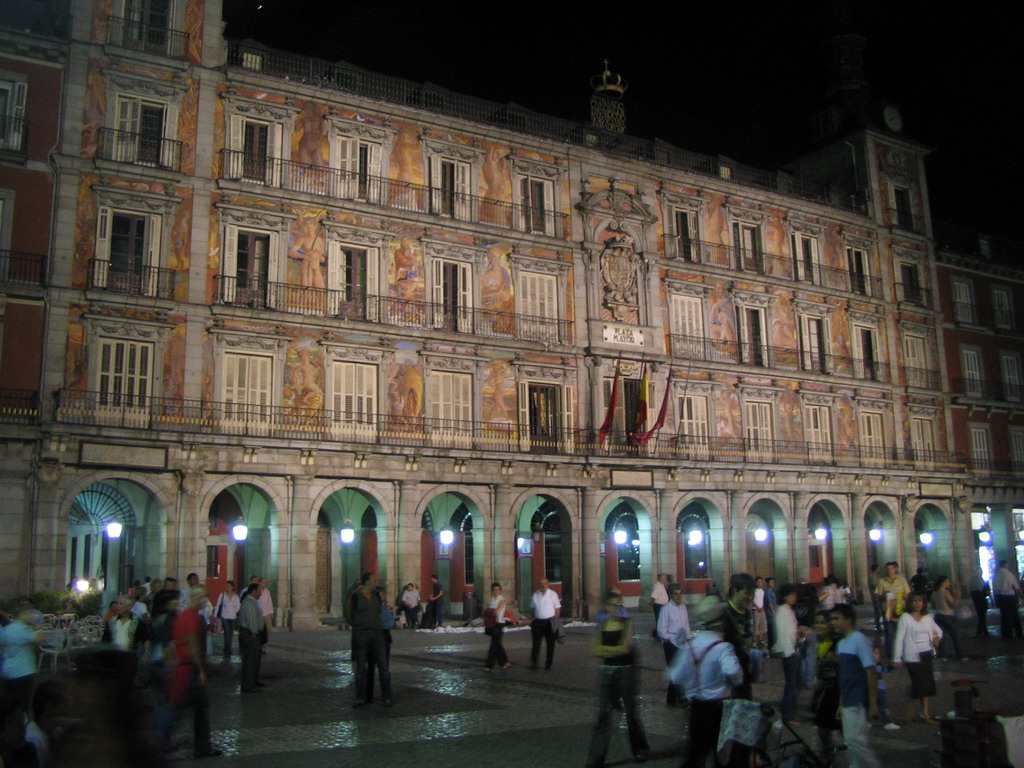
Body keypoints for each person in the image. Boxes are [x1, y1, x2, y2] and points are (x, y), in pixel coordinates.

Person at [668, 595, 744, 768]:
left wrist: (690, 686)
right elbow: (734, 672)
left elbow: (675, 675)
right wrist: (735, 681)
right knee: (720, 754)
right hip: (717, 708)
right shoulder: (722, 647)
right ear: (721, 623)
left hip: (696, 708)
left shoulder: (690, 645)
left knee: (696, 752)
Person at [585, 591, 650, 768]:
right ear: (606, 607)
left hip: (625, 672)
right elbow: (595, 650)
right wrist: (613, 650)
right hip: (607, 672)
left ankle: (640, 749)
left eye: (619, 605)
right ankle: (596, 757)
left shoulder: (627, 623)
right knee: (603, 715)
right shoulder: (602, 624)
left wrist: (606, 649)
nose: (617, 608)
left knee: (631, 713)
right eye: (614, 605)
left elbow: (624, 648)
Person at [168, 585, 221, 758]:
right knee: (189, 710)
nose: (205, 600)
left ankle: (202, 747)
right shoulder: (191, 617)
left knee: (194, 709)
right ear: (195, 597)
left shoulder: (185, 615)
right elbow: (193, 643)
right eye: (203, 596)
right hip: (190, 669)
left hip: (186, 667)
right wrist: (200, 670)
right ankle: (200, 747)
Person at [829, 604, 882, 768]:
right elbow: (844, 676)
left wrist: (873, 703)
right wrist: (840, 701)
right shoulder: (842, 644)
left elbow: (870, 671)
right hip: (847, 699)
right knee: (850, 742)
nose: (833, 623)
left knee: (856, 741)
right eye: (831, 619)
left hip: (859, 698)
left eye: (836, 619)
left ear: (849, 620)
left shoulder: (859, 640)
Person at [893, 591, 942, 724]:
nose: (917, 603)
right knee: (918, 683)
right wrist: (897, 657)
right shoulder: (905, 618)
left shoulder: (927, 618)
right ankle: (908, 712)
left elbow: (938, 631)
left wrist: (936, 637)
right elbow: (899, 638)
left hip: (926, 654)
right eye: (915, 601)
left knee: (926, 683)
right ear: (910, 603)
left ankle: (924, 712)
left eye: (920, 601)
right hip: (912, 656)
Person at [346, 572, 393, 707]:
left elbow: (380, 612)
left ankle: (387, 697)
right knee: (361, 668)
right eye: (373, 580)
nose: (375, 583)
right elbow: (349, 615)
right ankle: (360, 697)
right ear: (366, 582)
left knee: (383, 668)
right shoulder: (355, 596)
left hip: (377, 634)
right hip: (361, 634)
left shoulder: (377, 596)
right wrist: (359, 625)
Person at [0, 602, 44, 715]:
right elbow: (39, 639)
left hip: (8, 670)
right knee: (24, 706)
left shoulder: (8, 628)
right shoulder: (23, 629)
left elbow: (2, 644)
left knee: (10, 704)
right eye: (29, 613)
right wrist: (36, 626)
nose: (32, 615)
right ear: (22, 614)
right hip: (23, 671)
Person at [810, 611, 843, 759]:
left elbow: (846, 671)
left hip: (840, 692)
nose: (818, 625)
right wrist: (816, 696)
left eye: (822, 622)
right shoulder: (821, 644)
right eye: (816, 622)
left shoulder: (837, 644)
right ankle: (830, 758)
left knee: (845, 733)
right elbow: (822, 676)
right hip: (829, 692)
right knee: (823, 729)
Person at [774, 583, 806, 726]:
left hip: (793, 650)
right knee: (791, 685)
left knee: (794, 684)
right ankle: (788, 715)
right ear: (785, 596)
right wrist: (790, 652)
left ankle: (790, 712)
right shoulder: (782, 612)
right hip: (789, 652)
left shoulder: (788, 610)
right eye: (792, 595)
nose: (795, 597)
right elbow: (784, 634)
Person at [656, 582, 692, 706]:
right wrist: (666, 640)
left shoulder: (683, 607)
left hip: (682, 644)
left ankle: (671, 699)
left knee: (676, 671)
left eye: (680, 594)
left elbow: (686, 624)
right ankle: (682, 698)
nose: (678, 596)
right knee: (677, 671)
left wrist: (689, 638)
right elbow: (661, 627)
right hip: (671, 643)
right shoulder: (666, 609)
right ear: (671, 595)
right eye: (675, 594)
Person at [723, 573, 754, 699]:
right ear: (735, 590)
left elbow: (747, 636)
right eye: (746, 593)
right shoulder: (724, 611)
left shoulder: (746, 613)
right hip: (726, 667)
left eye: (752, 594)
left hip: (742, 665)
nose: (750, 597)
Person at [875, 562, 912, 657]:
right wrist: (885, 596)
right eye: (887, 569)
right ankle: (891, 655)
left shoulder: (902, 580)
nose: (889, 571)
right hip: (887, 610)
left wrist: (899, 594)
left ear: (895, 569)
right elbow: (878, 596)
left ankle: (902, 653)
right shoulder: (882, 581)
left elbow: (908, 594)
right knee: (889, 634)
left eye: (891, 568)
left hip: (900, 609)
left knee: (901, 633)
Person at [930, 576, 968, 661]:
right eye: (948, 582)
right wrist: (957, 596)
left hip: (938, 616)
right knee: (955, 637)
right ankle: (961, 655)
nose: (949, 583)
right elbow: (953, 604)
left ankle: (943, 656)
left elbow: (933, 606)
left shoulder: (934, 592)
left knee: (942, 637)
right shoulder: (945, 592)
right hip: (948, 615)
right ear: (943, 583)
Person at [237, 582, 264, 693]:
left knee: (254, 660)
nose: (260, 593)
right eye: (259, 590)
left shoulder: (252, 602)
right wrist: (254, 633)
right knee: (250, 661)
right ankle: (249, 685)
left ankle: (253, 682)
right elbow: (251, 619)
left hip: (252, 634)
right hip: (250, 635)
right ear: (253, 591)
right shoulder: (249, 602)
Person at [529, 578, 561, 670]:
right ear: (539, 585)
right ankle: (534, 663)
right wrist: (533, 619)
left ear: (548, 584)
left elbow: (557, 608)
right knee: (536, 644)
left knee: (550, 644)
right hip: (538, 622)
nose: (543, 585)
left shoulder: (552, 594)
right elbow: (532, 608)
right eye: (541, 584)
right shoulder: (535, 594)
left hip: (549, 622)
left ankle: (548, 663)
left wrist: (555, 620)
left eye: (545, 584)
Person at [484, 582, 511, 671]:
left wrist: (489, 611)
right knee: (497, 644)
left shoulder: (502, 599)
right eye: (494, 590)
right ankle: (505, 661)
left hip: (499, 623)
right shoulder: (491, 600)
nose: (496, 591)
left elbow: (496, 611)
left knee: (494, 645)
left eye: (498, 589)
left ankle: (489, 665)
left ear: (500, 590)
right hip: (492, 623)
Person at [993, 560, 1023, 639]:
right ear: (1006, 565)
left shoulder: (996, 575)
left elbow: (994, 588)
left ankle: (1006, 633)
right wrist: (1022, 596)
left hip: (1000, 597)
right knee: (1013, 615)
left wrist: (995, 599)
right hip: (1009, 597)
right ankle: (1017, 632)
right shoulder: (1010, 575)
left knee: (1004, 615)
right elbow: (1017, 588)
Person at [872, 646, 900, 730]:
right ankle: (868, 720)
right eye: (876, 654)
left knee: (883, 706)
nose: (878, 656)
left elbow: (886, 670)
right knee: (869, 705)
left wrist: (892, 667)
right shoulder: (870, 666)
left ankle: (887, 721)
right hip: (874, 688)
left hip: (880, 688)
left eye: (879, 654)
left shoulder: (879, 665)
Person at [214, 581, 240, 659]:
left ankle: (227, 647)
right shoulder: (222, 595)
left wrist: (235, 611)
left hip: (233, 616)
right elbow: (218, 605)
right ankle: (227, 649)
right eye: (227, 586)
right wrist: (215, 615)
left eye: (229, 586)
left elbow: (238, 606)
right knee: (227, 632)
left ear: (232, 587)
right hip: (224, 616)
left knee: (230, 633)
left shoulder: (236, 596)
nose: (227, 587)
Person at [969, 566, 991, 638]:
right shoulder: (981, 580)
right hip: (981, 599)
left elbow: (970, 591)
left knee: (981, 615)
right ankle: (982, 631)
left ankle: (982, 630)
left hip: (976, 599)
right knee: (982, 615)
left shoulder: (972, 580)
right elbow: (986, 591)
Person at [650, 573, 669, 640]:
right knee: (660, 620)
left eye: (665, 578)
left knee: (662, 620)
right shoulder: (658, 586)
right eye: (662, 578)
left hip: (662, 606)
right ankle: (658, 635)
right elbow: (653, 596)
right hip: (659, 606)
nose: (664, 579)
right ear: (658, 578)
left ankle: (659, 633)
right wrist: (652, 603)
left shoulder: (661, 585)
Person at [257, 577, 274, 647]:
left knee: (267, 630)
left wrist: (271, 612)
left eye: (265, 582)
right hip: (258, 614)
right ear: (260, 583)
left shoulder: (267, 591)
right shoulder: (256, 591)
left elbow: (269, 602)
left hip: (266, 613)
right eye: (263, 582)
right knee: (259, 630)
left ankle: (263, 643)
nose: (265, 584)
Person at [868, 564, 883, 633]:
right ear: (875, 569)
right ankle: (878, 626)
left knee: (882, 611)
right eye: (878, 568)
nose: (879, 570)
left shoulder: (878, 577)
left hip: (880, 596)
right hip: (876, 596)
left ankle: (879, 625)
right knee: (877, 612)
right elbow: (874, 586)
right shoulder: (872, 577)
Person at [764, 577, 778, 651]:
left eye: (773, 582)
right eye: (771, 582)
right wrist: (773, 612)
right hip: (771, 614)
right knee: (771, 629)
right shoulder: (768, 592)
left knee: (772, 629)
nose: (772, 584)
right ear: (768, 583)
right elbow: (770, 603)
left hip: (772, 613)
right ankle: (771, 645)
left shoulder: (771, 591)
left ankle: (772, 644)